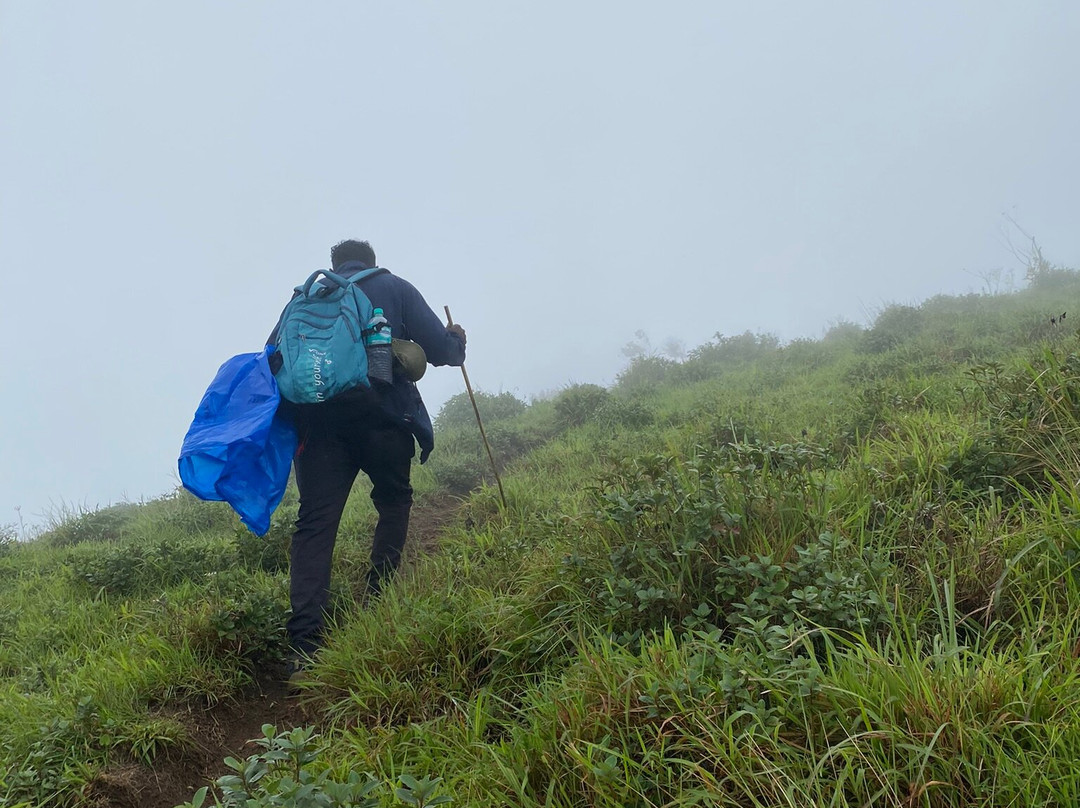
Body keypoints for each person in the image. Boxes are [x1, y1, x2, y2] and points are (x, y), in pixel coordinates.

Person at [270, 239, 466, 668]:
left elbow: (276, 361)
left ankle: (304, 644)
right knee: (394, 501)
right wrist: (456, 340)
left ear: (335, 265)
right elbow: (440, 351)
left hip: (320, 431)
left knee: (315, 524)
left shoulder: (306, 298)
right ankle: (377, 599)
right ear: (373, 263)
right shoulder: (395, 288)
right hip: (386, 420)